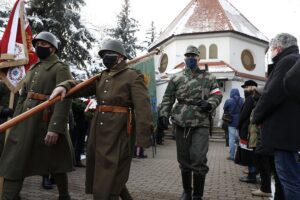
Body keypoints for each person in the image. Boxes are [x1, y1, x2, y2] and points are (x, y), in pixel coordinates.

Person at [49, 39, 153, 199]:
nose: (105, 57)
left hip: (119, 129)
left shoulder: (132, 76)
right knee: (103, 168)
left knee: (111, 170)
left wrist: (143, 138)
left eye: (108, 54)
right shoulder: (103, 76)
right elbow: (82, 86)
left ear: (119, 56)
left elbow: (143, 108)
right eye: (103, 55)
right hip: (98, 128)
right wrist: (65, 86)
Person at [0, 31, 74, 200]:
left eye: (44, 44)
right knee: (15, 159)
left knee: (56, 162)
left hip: (46, 120)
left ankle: (64, 195)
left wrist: (55, 127)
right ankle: (9, 196)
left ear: (53, 49)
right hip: (26, 121)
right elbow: (23, 96)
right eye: (37, 44)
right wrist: (16, 121)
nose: (39, 47)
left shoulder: (60, 67)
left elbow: (65, 98)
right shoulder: (33, 68)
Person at [158, 45, 222, 200]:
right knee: (184, 158)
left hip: (201, 122)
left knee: (199, 158)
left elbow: (217, 94)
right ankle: (187, 190)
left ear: (198, 58)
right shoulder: (176, 78)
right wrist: (164, 114)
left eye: (193, 56)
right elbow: (168, 98)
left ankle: (198, 195)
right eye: (188, 56)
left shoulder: (209, 77)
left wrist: (211, 103)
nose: (190, 58)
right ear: (184, 58)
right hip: (181, 122)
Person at [252, 33, 300, 199]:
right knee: (285, 178)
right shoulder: (295, 60)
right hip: (288, 129)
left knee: (289, 179)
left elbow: (271, 94)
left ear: (278, 48)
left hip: (284, 131)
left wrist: (256, 116)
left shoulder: (287, 61)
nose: (271, 53)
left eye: (271, 49)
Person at [236, 80, 257, 183]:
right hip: (250, 130)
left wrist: (238, 125)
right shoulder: (255, 98)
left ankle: (252, 175)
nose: (244, 89)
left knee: (248, 153)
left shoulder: (250, 99)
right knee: (251, 152)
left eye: (246, 87)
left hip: (247, 130)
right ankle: (252, 173)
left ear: (251, 87)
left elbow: (244, 115)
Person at [223, 88, 244, 161]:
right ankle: (240, 156)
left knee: (231, 139)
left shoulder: (229, 101)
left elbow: (224, 108)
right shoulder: (242, 100)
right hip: (241, 122)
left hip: (231, 122)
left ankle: (232, 156)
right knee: (240, 138)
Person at [0, 81, 14, 156]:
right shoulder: (2, 83)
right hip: (2, 121)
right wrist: (2, 110)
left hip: (15, 121)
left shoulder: (20, 83)